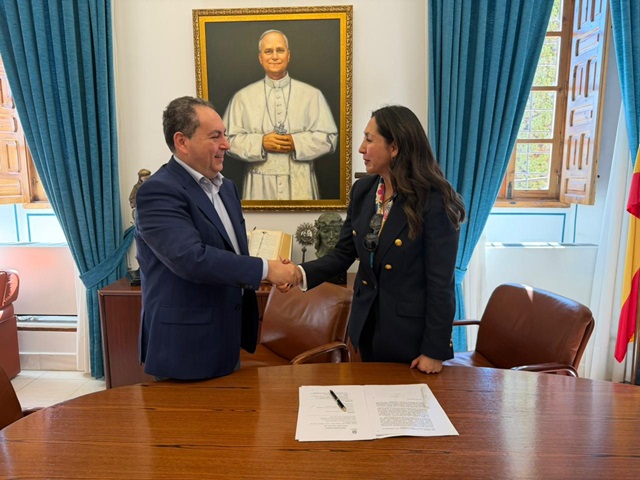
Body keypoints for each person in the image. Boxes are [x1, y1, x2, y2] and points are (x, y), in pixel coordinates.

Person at [290, 105, 465, 374]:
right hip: (367, 326)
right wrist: (298, 273)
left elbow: (441, 284)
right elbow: (343, 254)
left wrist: (434, 350)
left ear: (394, 148)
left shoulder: (434, 201)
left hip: (410, 338)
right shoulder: (363, 191)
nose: (361, 148)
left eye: (369, 140)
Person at [135, 96, 298, 381]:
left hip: (228, 338)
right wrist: (266, 269)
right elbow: (191, 259)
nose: (226, 145)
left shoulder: (227, 188)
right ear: (182, 142)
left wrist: (267, 273)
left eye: (225, 135)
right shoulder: (158, 191)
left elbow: (229, 252)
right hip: (186, 347)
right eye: (215, 136)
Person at [223, 29, 338, 200]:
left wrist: (296, 142)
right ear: (260, 58)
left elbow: (329, 138)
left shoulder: (312, 95)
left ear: (288, 55)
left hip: (301, 180)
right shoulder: (242, 97)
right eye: (268, 51)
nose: (275, 56)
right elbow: (227, 140)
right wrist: (261, 142)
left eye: (280, 50)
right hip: (259, 184)